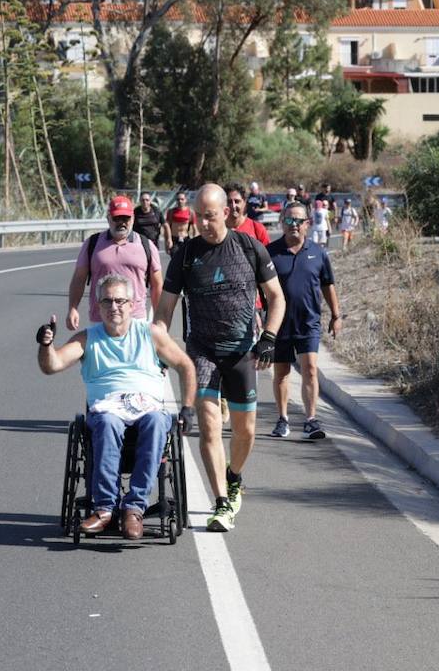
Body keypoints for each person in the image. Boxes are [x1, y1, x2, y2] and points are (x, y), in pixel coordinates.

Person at [154, 184, 286, 533]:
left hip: (241, 352)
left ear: (226, 213)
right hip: (202, 352)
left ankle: (234, 476)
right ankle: (222, 502)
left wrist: (269, 337)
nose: (202, 223)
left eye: (209, 217)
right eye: (198, 216)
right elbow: (165, 309)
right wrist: (159, 346)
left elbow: (276, 297)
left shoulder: (249, 247)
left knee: (246, 431)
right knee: (210, 426)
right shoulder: (186, 254)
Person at [37, 273, 197, 540]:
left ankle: (134, 509)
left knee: (157, 421)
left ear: (132, 304)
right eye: (107, 301)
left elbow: (185, 365)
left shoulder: (150, 334)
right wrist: (46, 345)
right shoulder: (87, 338)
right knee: (107, 422)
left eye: (120, 301)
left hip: (147, 405)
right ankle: (105, 509)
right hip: (107, 408)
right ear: (98, 306)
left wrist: (188, 408)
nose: (114, 307)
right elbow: (51, 365)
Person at [266, 203, 343, 441]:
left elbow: (327, 284)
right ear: (282, 223)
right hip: (279, 324)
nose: (294, 225)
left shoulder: (318, 253)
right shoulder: (270, 253)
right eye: (289, 220)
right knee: (281, 372)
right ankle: (283, 419)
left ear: (307, 224)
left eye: (299, 221)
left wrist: (336, 315)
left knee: (310, 369)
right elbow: (259, 288)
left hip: (309, 322)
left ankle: (311, 420)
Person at [66, 195, 162, 331]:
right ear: (108, 218)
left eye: (125, 218)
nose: (121, 222)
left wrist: (159, 317)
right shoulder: (92, 243)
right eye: (117, 218)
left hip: (135, 319)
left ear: (133, 218)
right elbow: (79, 279)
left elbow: (157, 285)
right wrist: (73, 308)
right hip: (100, 319)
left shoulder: (146, 245)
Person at [163, 190, 195, 254]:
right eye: (178, 199)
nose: (180, 201)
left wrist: (194, 242)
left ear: (185, 200)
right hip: (174, 240)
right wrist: (167, 241)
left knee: (186, 259)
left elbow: (195, 229)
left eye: (182, 199)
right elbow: (167, 228)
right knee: (175, 258)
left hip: (185, 239)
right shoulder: (171, 212)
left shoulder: (190, 212)